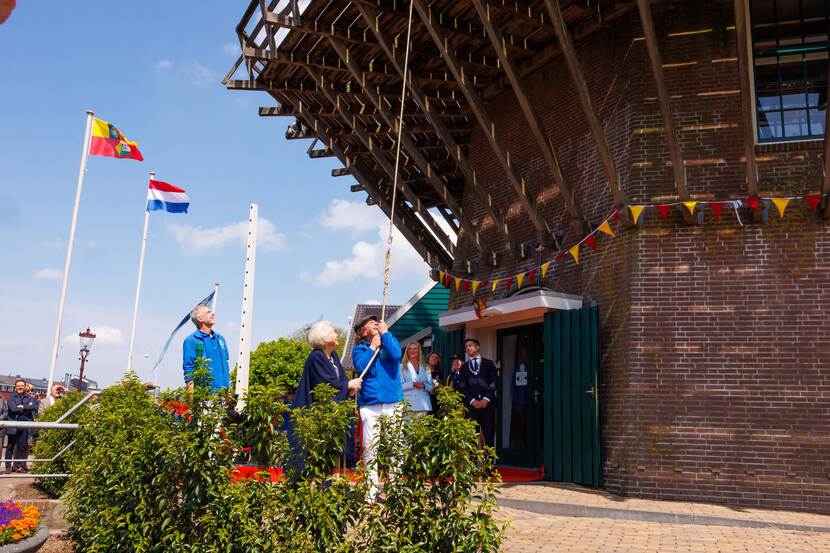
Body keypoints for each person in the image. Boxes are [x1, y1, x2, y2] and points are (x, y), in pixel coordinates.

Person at [291, 321, 362, 467]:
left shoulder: (333, 356)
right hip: (317, 414)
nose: (337, 335)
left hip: (333, 416)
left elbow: (340, 380)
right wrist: (347, 385)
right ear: (325, 338)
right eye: (334, 332)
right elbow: (323, 385)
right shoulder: (316, 357)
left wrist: (349, 390)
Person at [352, 315, 402, 501]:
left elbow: (397, 354)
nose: (375, 323)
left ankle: (397, 490)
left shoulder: (389, 340)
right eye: (370, 323)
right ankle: (371, 492)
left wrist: (386, 334)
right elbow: (361, 366)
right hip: (370, 404)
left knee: (395, 447)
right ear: (363, 332)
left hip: (392, 402)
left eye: (376, 322)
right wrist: (372, 345)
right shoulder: (360, 349)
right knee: (371, 448)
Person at [458, 338, 497, 449]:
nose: (468, 348)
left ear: (478, 347)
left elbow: (493, 383)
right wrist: (472, 401)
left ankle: (489, 466)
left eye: (470, 345)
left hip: (488, 406)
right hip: (471, 407)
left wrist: (486, 399)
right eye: (466, 347)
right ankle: (472, 465)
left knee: (489, 436)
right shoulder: (464, 367)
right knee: (471, 438)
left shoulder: (488, 364)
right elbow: (462, 387)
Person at [182, 305, 230, 393]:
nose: (212, 313)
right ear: (200, 318)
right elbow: (189, 369)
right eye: (208, 312)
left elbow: (226, 365)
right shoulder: (191, 340)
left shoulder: (220, 339)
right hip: (204, 394)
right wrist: (191, 397)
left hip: (223, 393)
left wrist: (228, 391)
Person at [6, 379, 37, 472]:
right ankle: (8, 467)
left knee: (22, 447)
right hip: (13, 425)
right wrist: (27, 407)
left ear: (25, 387)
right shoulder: (11, 397)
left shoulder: (29, 397)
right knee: (10, 446)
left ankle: (19, 466)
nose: (20, 387)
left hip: (23, 426)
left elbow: (34, 407)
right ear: (15, 387)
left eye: (22, 385)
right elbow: (13, 409)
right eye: (18, 385)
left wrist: (22, 406)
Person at [400, 343, 432, 415]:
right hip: (409, 404)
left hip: (423, 404)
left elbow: (431, 387)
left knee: (422, 426)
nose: (412, 351)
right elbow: (399, 386)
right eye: (410, 349)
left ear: (419, 351)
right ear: (407, 351)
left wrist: (424, 385)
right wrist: (413, 384)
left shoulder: (426, 366)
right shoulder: (401, 367)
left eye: (415, 349)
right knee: (408, 426)